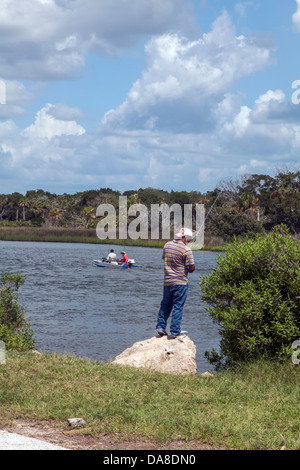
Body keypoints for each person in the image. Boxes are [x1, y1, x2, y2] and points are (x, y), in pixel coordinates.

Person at [156, 227, 195, 339]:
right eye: (189, 239)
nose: (189, 241)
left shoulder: (167, 245)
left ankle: (160, 327)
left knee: (165, 304)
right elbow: (191, 268)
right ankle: (175, 331)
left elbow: (166, 259)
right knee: (178, 306)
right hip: (180, 283)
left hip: (167, 281)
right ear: (184, 238)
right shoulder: (187, 250)